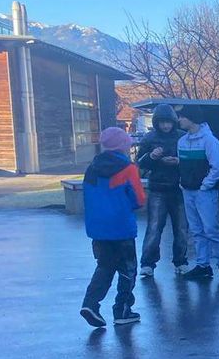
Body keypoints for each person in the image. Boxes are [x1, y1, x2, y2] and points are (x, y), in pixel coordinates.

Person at [79, 127, 145, 328]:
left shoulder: (92, 168)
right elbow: (139, 199)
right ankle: (122, 309)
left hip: (98, 229)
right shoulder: (128, 168)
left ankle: (90, 303)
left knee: (105, 266)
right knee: (128, 269)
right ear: (123, 146)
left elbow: (87, 196)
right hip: (121, 227)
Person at [177, 107, 219, 281]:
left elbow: (217, 167)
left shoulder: (209, 140)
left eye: (182, 117)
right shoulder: (182, 141)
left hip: (204, 192)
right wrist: (183, 183)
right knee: (196, 229)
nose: (179, 120)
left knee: (210, 229)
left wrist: (205, 186)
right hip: (189, 190)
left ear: (192, 119)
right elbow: (182, 165)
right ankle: (203, 265)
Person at [136, 104, 188, 277]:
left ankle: (180, 261)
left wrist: (179, 161)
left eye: (168, 122)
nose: (165, 126)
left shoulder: (182, 137)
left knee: (181, 227)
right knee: (154, 227)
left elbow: (191, 160)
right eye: (162, 123)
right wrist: (152, 157)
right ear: (156, 123)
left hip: (178, 188)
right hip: (157, 188)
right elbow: (140, 163)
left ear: (173, 122)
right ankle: (148, 263)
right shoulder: (149, 138)